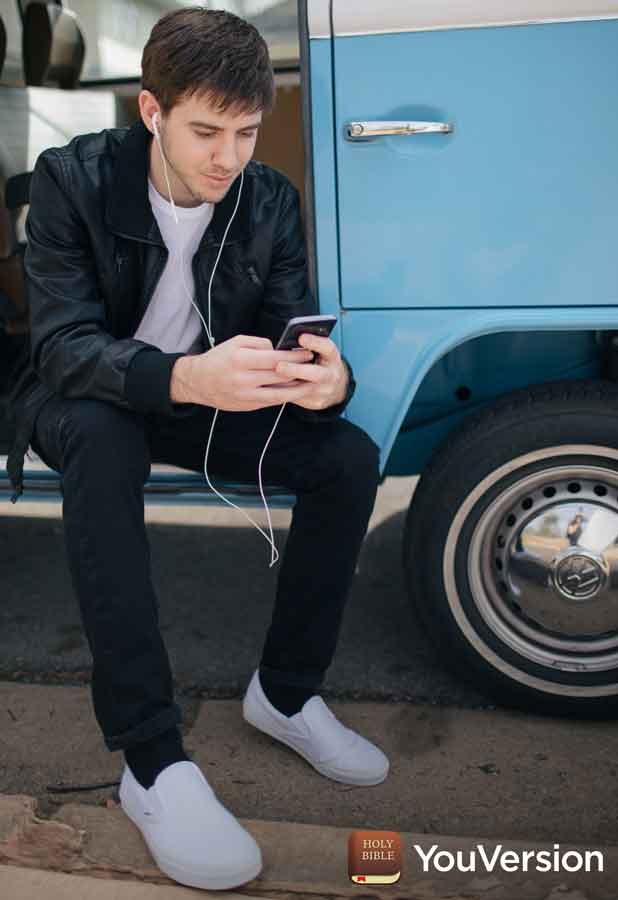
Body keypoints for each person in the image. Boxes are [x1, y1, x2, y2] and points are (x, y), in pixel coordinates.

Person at [6, 6, 388, 892]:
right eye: (205, 131)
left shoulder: (269, 200)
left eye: (246, 133)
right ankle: (151, 760)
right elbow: (60, 347)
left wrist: (328, 383)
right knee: (104, 444)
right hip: (86, 397)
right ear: (151, 112)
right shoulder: (72, 179)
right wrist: (184, 380)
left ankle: (286, 694)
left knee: (347, 456)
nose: (228, 156)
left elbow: (286, 335)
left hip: (198, 397)